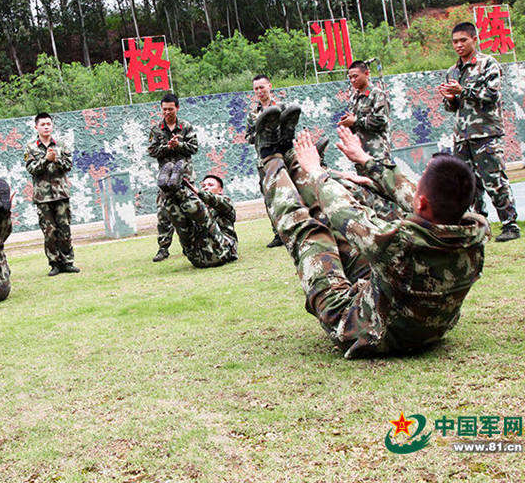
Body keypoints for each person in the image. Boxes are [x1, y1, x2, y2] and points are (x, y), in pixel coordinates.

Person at [254, 103, 489, 358]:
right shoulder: (474, 231)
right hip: (415, 317)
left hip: (370, 330)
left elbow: (346, 213)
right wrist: (366, 162)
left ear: (422, 203)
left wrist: (317, 171)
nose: (415, 190)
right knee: (343, 225)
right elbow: (412, 194)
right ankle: (290, 155)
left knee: (311, 234)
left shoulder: (399, 243)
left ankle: (269, 157)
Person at [439, 22, 520, 242]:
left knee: (495, 180)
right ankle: (478, 225)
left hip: (486, 133)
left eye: (463, 40)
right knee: (467, 184)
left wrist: (462, 90)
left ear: (474, 39)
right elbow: (453, 107)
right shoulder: (452, 71)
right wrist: (450, 98)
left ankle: (510, 224)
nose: (459, 45)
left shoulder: (488, 64)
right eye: (455, 41)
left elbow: (491, 95)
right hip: (463, 136)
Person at [24, 112, 79, 276]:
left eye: (48, 124)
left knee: (65, 229)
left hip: (61, 194)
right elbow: (31, 169)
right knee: (49, 231)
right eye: (43, 124)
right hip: (43, 197)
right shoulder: (31, 147)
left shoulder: (61, 144)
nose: (46, 127)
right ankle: (54, 263)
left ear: (52, 125)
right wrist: (46, 160)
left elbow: (68, 165)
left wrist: (57, 160)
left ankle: (68, 262)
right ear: (36, 127)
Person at [155, 161, 237, 269]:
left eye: (210, 185)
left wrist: (198, 193)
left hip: (220, 252)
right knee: (179, 216)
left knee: (201, 215)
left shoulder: (226, 203)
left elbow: (217, 203)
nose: (206, 187)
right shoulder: (195, 203)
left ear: (220, 190)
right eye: (203, 185)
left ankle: (179, 190)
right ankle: (170, 192)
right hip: (196, 257)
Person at [148, 93, 198, 262]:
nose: (167, 112)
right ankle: (163, 248)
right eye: (164, 109)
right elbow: (152, 151)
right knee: (163, 212)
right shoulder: (156, 129)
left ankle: (189, 245)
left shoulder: (186, 127)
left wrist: (180, 144)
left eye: (170, 109)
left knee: (189, 210)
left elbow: (194, 147)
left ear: (177, 108)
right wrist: (168, 147)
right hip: (166, 178)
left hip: (185, 177)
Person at [245, 74, 285, 248]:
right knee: (269, 197)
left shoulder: (282, 107)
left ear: (270, 86)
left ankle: (293, 229)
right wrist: (259, 133)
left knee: (288, 194)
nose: (259, 91)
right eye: (256, 89)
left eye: (262, 87)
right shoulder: (253, 114)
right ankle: (278, 234)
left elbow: (289, 130)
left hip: (283, 158)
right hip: (263, 161)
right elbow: (248, 137)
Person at [338, 61, 393, 164]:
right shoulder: (355, 97)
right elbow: (356, 123)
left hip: (378, 154)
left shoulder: (377, 94)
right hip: (361, 154)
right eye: (350, 78)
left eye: (355, 76)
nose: (353, 80)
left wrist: (355, 121)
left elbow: (381, 121)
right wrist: (348, 122)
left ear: (366, 74)